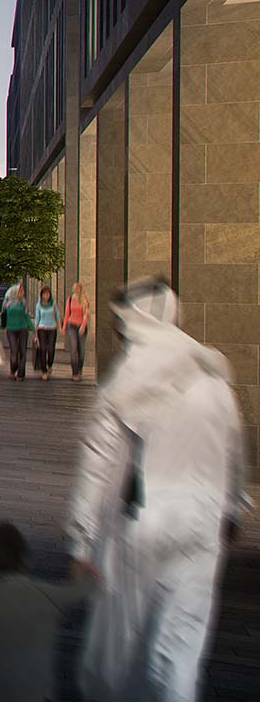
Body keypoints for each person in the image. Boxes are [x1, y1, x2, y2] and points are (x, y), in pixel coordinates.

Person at [69, 278, 247, 702]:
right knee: (181, 647)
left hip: (143, 523)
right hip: (203, 524)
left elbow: (97, 460)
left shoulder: (129, 377)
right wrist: (235, 508)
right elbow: (233, 449)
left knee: (120, 646)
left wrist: (81, 541)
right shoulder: (212, 374)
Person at [0, 521, 93, 702]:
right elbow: (76, 593)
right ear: (25, 560)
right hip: (34, 692)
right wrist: (86, 575)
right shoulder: (45, 594)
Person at [1, 283, 32, 380]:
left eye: (23, 291)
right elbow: (3, 315)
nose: (22, 293)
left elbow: (27, 316)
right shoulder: (8, 303)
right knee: (14, 350)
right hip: (11, 329)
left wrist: (33, 329)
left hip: (23, 329)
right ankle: (13, 370)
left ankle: (21, 374)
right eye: (21, 291)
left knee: (23, 351)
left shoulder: (24, 302)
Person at [64, 281, 92, 381]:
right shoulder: (70, 299)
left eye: (79, 288)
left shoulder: (84, 299)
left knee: (82, 350)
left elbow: (86, 314)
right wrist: (64, 328)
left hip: (82, 326)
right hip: (72, 325)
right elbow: (67, 314)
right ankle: (75, 372)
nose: (77, 290)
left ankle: (80, 369)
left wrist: (83, 326)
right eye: (75, 288)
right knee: (74, 348)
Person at [32, 286, 60, 380]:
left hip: (52, 328)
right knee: (43, 349)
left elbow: (58, 315)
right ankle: (44, 371)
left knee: (51, 349)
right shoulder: (39, 305)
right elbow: (37, 318)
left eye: (48, 294)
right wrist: (36, 333)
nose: (46, 296)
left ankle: (50, 364)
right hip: (42, 328)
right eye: (44, 294)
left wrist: (60, 326)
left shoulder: (53, 304)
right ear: (42, 295)